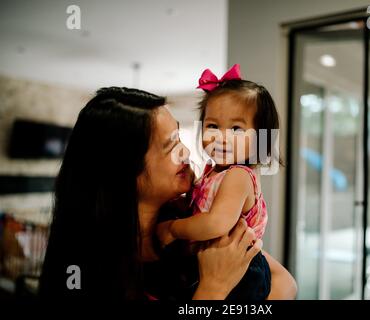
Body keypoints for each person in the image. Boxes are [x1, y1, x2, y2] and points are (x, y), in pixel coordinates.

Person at [39, 86, 296, 300]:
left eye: (179, 136)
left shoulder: (186, 219)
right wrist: (213, 288)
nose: (185, 151)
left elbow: (284, 282)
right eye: (170, 145)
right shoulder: (89, 270)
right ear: (125, 170)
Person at [157, 64, 286, 300]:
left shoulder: (238, 177)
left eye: (236, 128)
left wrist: (174, 229)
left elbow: (216, 223)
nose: (221, 137)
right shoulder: (213, 172)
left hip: (243, 272)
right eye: (213, 125)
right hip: (216, 262)